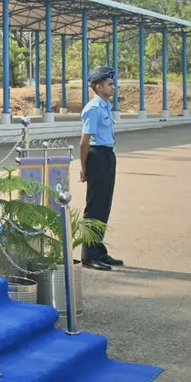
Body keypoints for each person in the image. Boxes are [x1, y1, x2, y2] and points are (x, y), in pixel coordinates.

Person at [78, 65, 122, 271]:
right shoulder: (93, 109)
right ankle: (88, 255)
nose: (114, 87)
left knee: (104, 205)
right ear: (99, 87)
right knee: (94, 206)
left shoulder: (105, 106)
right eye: (110, 84)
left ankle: (99, 250)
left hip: (107, 155)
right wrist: (84, 167)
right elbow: (84, 142)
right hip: (96, 156)